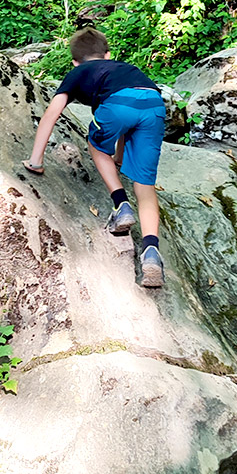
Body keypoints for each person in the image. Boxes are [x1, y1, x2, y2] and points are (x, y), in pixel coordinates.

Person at [22, 28, 167, 287]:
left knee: (97, 145)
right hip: (153, 103)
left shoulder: (77, 72)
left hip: (117, 104)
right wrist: (121, 160)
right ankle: (151, 253)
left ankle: (121, 204)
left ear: (75, 62)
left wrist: (36, 161)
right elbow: (130, 121)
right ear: (108, 54)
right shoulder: (126, 68)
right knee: (145, 185)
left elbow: (51, 115)